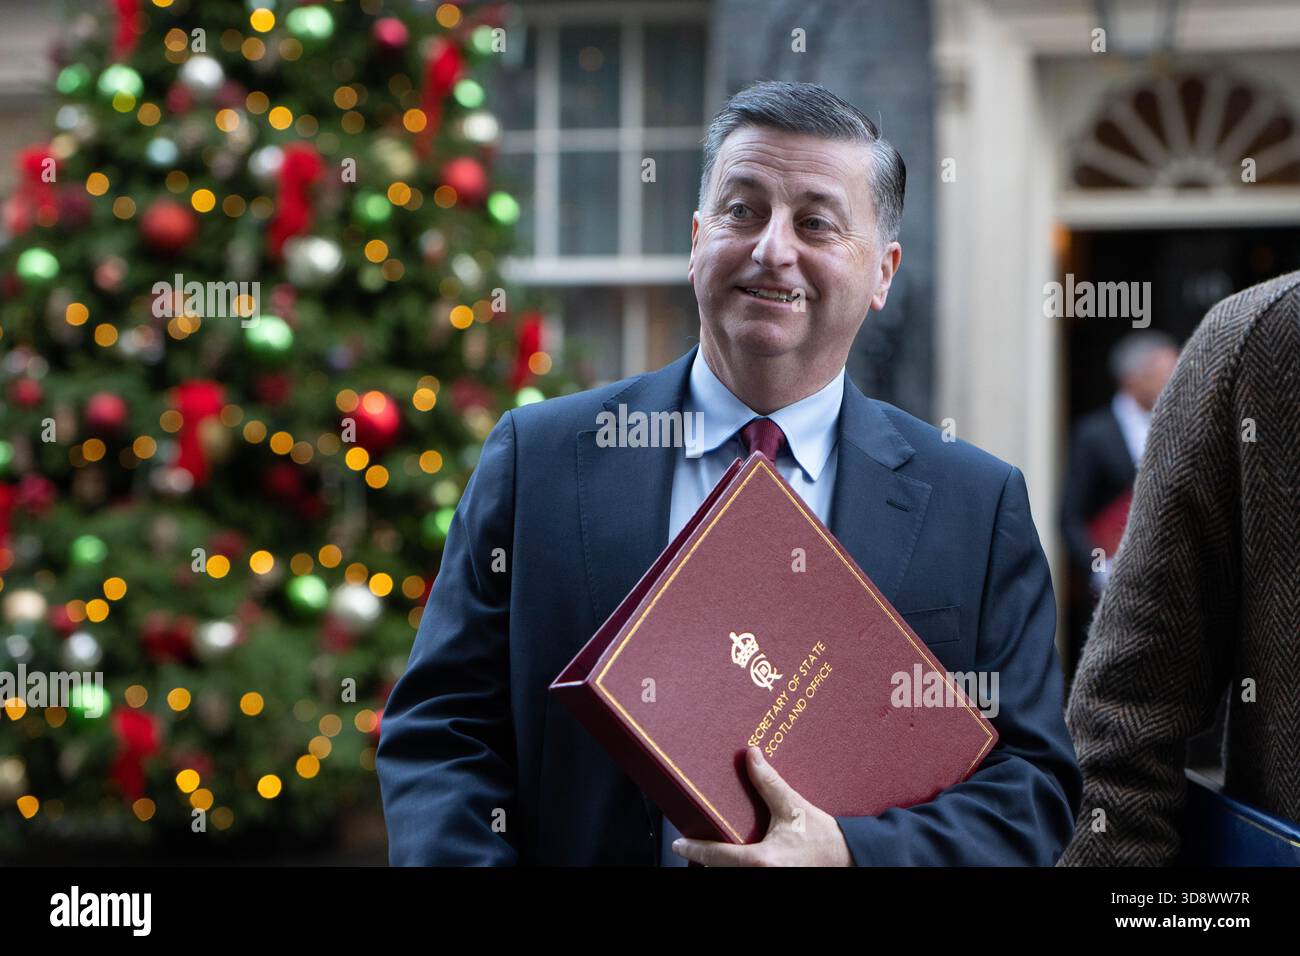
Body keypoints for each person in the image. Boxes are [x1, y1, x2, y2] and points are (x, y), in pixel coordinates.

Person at [376, 80, 1080, 866]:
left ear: (883, 272)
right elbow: (442, 735)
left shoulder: (975, 507)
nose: (772, 247)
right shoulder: (538, 458)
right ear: (696, 238)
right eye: (742, 210)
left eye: (815, 222)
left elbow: (1033, 792)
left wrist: (850, 855)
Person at [1061, 270, 1300, 866]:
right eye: (1155, 367)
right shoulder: (1257, 340)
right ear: (1132, 376)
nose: (1164, 375)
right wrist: (1098, 570)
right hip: (1123, 587)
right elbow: (1125, 724)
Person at [1059, 332, 1178, 679]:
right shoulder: (1094, 434)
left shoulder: (1178, 427)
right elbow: (1069, 516)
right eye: (1163, 373)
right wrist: (1100, 570)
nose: (1173, 382)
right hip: (1108, 591)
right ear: (1132, 378)